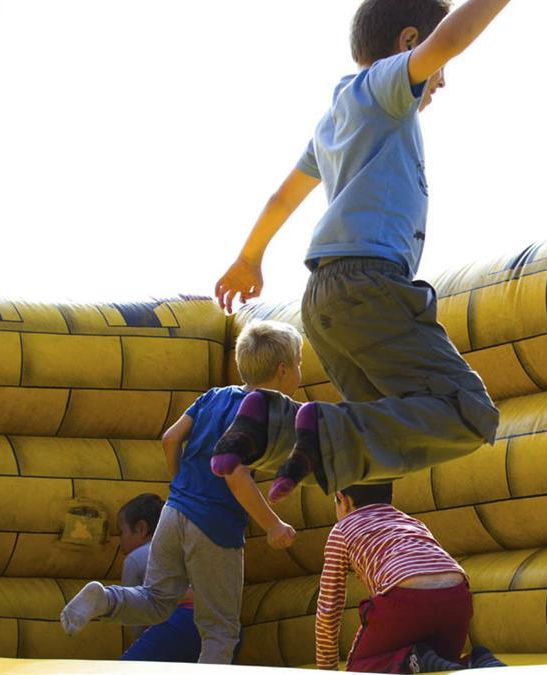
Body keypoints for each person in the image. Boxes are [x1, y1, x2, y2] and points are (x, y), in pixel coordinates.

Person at [209, 0, 510, 505]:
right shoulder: (383, 89)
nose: (442, 82)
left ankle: (278, 428)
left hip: (323, 299)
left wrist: (249, 257)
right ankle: (313, 430)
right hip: (368, 286)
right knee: (467, 413)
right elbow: (451, 39)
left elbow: (285, 195)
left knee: (378, 437)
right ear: (408, 43)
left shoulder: (335, 119)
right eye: (438, 72)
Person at [60, 321, 301, 664]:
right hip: (215, 524)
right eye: (300, 363)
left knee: (156, 600)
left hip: (174, 512)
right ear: (283, 370)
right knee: (219, 629)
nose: (300, 371)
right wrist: (272, 524)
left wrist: (181, 487)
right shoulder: (262, 413)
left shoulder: (214, 397)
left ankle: (105, 599)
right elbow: (234, 471)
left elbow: (170, 438)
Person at [316, 482, 505, 672]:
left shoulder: (342, 529)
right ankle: (477, 660)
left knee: (361, 670)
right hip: (457, 597)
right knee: (440, 665)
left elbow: (329, 606)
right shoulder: (411, 523)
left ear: (342, 499)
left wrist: (327, 668)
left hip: (404, 597)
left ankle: (413, 659)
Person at [115, 493, 200, 663]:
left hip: (179, 621)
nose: (119, 541)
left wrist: (141, 647)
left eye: (121, 532)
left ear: (141, 529)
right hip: (217, 627)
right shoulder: (188, 548)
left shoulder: (135, 558)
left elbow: (133, 615)